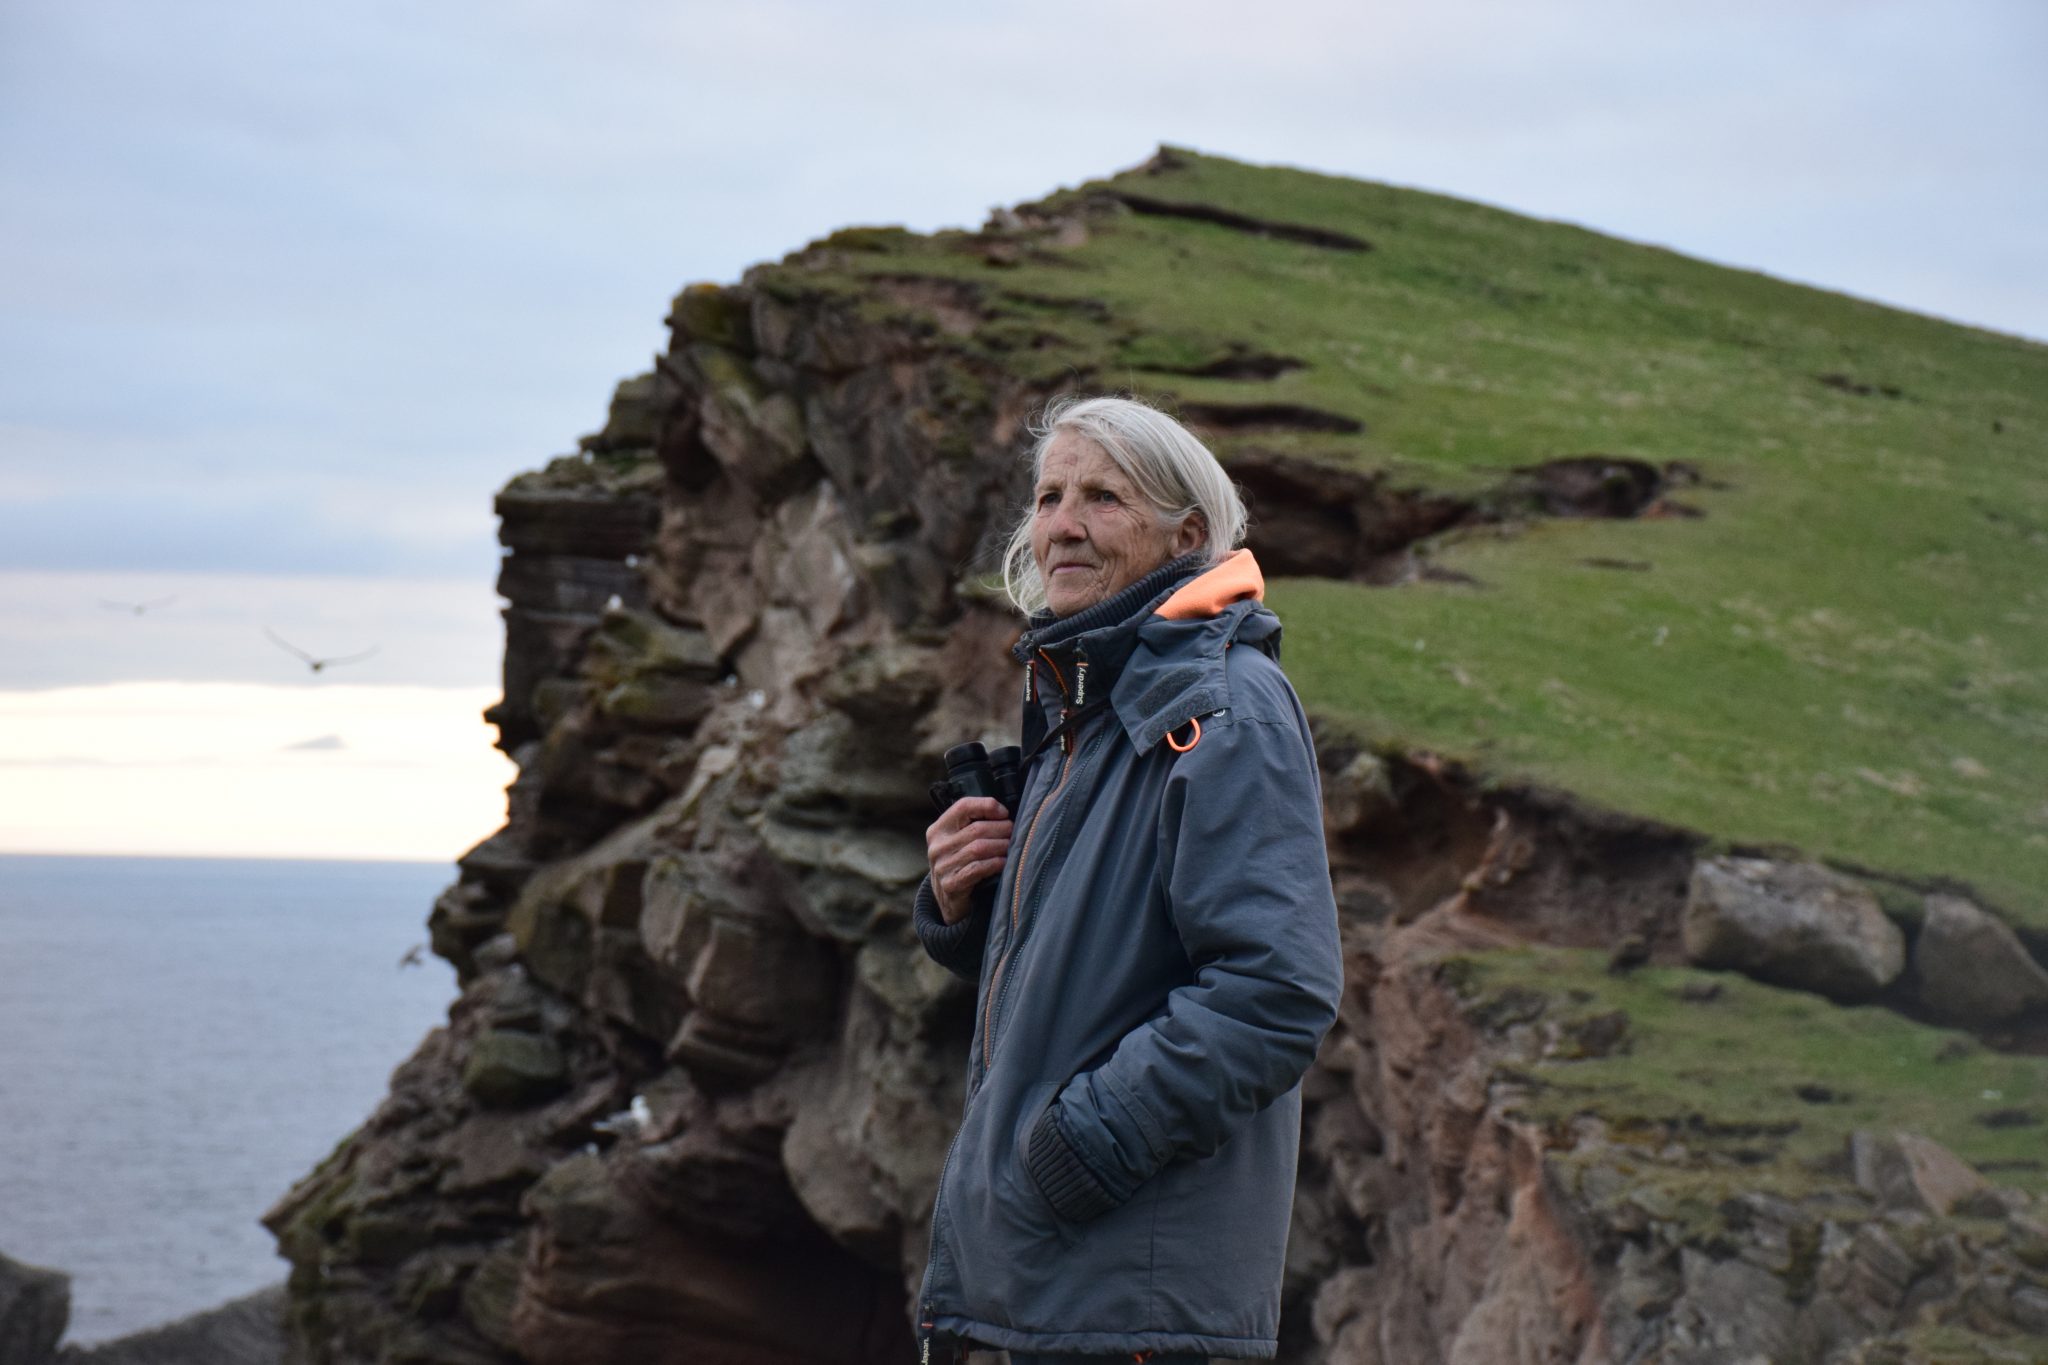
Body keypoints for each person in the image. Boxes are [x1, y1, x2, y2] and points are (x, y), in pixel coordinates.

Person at [912, 394, 1345, 1365]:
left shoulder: (1223, 707)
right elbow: (1087, 965)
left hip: (1130, 1310)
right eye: (1048, 495)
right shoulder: (1092, 709)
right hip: (1054, 1298)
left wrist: (1079, 1150)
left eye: (1102, 498)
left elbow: (1275, 991)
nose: (1062, 523)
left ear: (1184, 535)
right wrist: (961, 905)